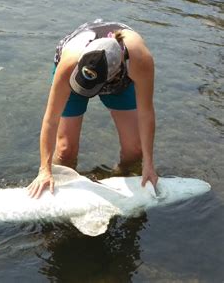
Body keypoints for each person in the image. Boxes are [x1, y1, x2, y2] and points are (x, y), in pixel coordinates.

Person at [28, 19, 158, 198]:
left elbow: (146, 113)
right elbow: (51, 118)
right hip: (76, 72)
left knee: (135, 150)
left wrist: (148, 164)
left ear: (114, 75)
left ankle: (119, 176)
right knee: (66, 149)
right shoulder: (69, 62)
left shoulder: (139, 60)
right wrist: (44, 169)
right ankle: (62, 187)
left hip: (121, 81)